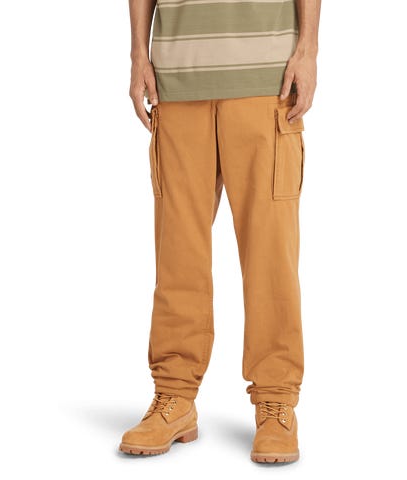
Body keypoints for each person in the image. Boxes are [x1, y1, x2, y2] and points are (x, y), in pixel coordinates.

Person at [120, 0, 321, 464]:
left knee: (270, 257)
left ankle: (276, 402)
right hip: (175, 79)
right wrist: (137, 54)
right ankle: (174, 397)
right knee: (177, 254)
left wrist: (308, 50)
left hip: (267, 78)